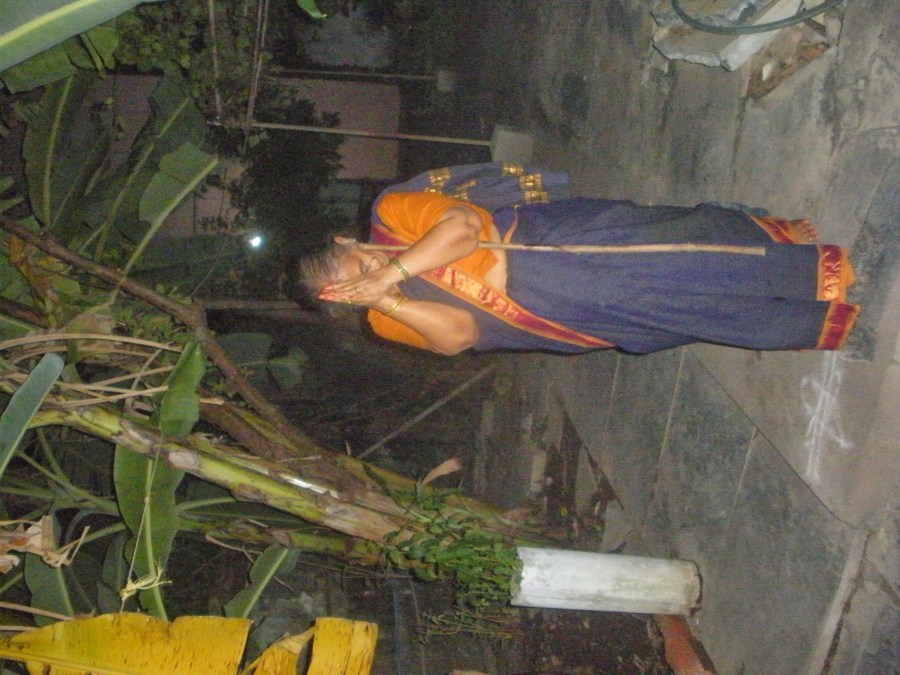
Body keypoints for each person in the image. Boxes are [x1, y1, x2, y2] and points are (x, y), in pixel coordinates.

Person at [294, 163, 859, 356]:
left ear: (348, 241)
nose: (369, 276)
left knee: (681, 242)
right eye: (356, 288)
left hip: (556, 242)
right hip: (557, 312)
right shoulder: (382, 318)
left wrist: (394, 270)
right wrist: (389, 299)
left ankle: (788, 248)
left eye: (360, 265)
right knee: (678, 312)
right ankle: (812, 320)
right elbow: (461, 335)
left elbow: (463, 230)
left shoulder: (392, 215)